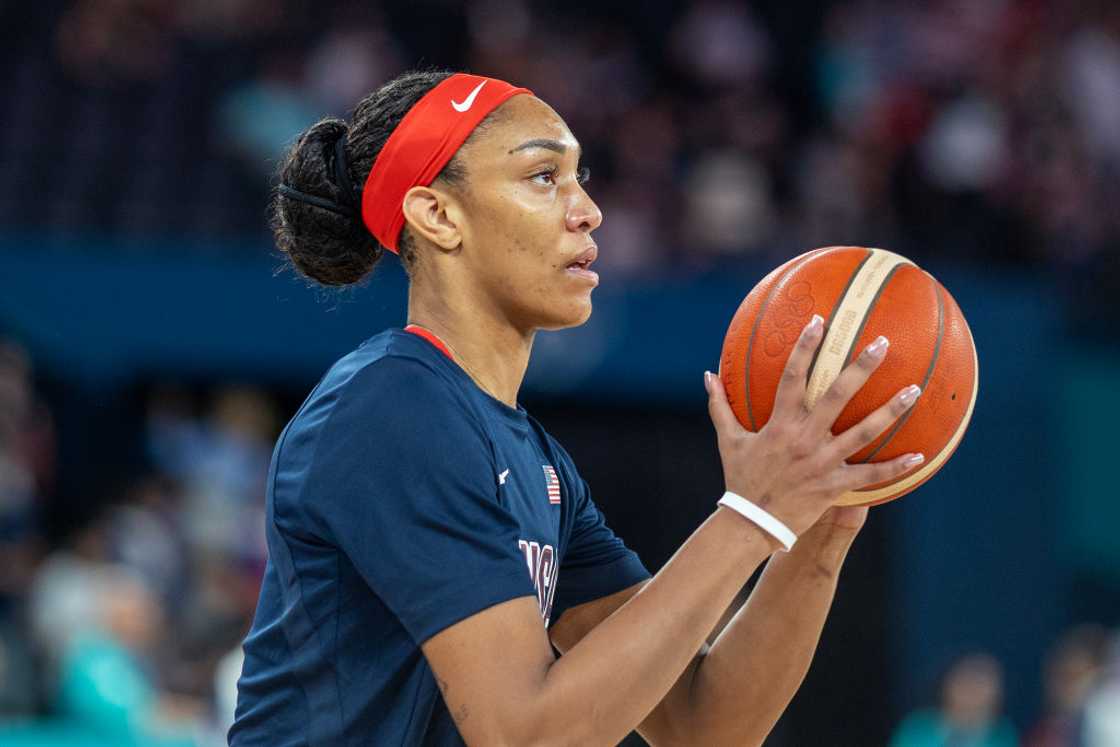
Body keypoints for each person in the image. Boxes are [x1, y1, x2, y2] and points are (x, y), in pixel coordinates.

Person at [228, 69, 925, 746]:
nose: (588, 209)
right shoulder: (390, 406)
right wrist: (750, 514)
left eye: (580, 177)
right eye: (542, 176)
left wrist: (819, 526)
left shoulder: (536, 461)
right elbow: (525, 734)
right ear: (438, 214)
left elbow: (707, 724)